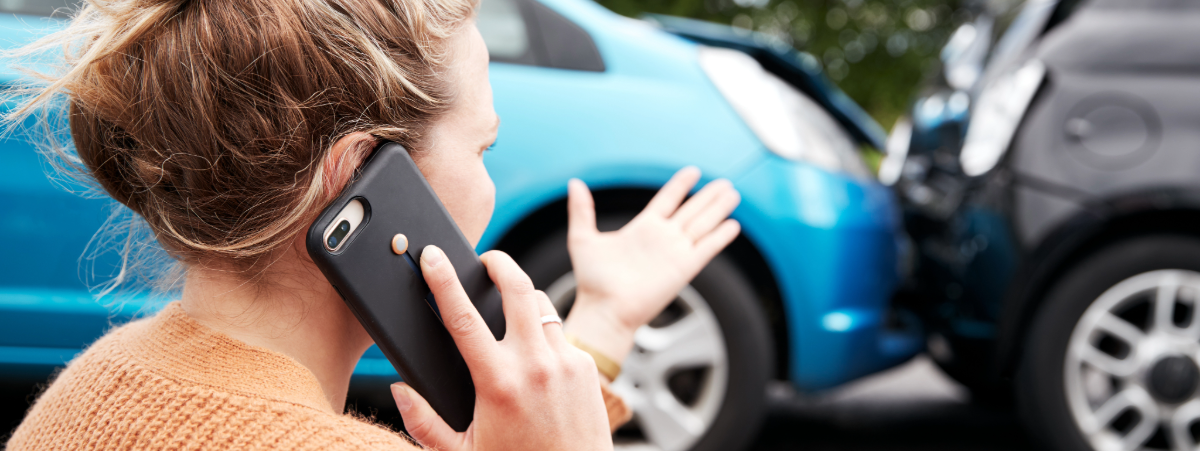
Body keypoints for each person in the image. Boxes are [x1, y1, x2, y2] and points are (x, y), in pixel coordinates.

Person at [3, 0, 744, 449]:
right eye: (483, 146)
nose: (489, 176)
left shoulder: (102, 377)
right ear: (356, 178)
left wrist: (606, 322)